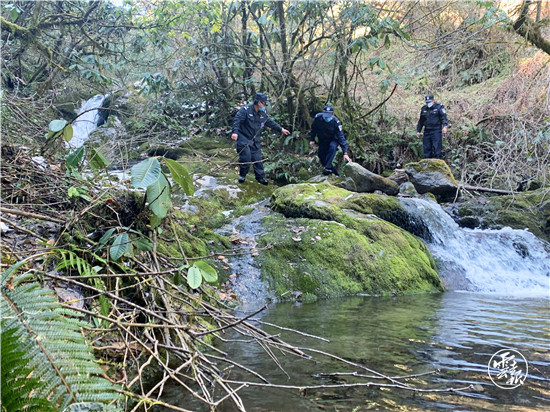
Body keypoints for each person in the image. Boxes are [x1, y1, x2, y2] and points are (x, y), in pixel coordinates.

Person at [231, 93, 290, 185]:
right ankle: (242, 175)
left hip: (255, 139)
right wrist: (235, 132)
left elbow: (269, 122)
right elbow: (237, 120)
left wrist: (281, 129)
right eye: (264, 104)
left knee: (257, 159)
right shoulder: (245, 110)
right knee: (246, 157)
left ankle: (260, 178)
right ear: (259, 103)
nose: (265, 106)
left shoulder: (263, 113)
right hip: (244, 137)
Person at [309, 105, 351, 175]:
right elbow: (313, 129)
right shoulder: (318, 118)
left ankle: (328, 168)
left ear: (332, 115)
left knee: (332, 147)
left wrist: (345, 153)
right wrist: (312, 139)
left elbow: (341, 137)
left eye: (328, 116)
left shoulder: (336, 122)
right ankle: (332, 170)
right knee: (321, 154)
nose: (327, 118)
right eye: (325, 116)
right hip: (322, 139)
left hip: (333, 139)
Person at [416, 93, 448, 159]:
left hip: (436, 130)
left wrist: (445, 126)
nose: (428, 103)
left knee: (437, 149)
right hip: (427, 131)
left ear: (433, 100)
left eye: (429, 102)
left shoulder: (439, 107)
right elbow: (421, 121)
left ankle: (437, 163)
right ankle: (428, 163)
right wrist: (418, 130)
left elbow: (443, 117)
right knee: (427, 149)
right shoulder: (424, 109)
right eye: (427, 102)